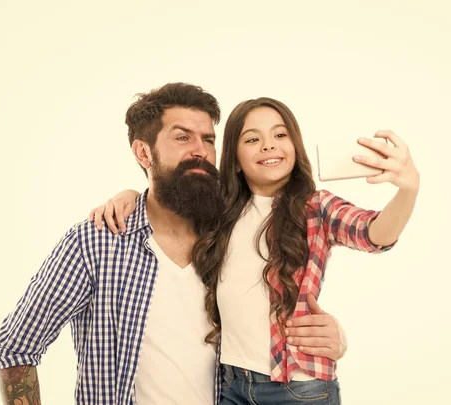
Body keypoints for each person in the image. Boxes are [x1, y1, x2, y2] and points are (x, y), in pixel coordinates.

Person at [0, 83, 347, 405]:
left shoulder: (227, 231)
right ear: (143, 153)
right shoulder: (97, 242)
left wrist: (333, 336)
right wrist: (129, 195)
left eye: (208, 139)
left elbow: (270, 305)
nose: (200, 151)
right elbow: (14, 348)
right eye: (182, 138)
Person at [92, 97, 420, 404]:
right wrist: (131, 194)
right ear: (234, 160)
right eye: (252, 139)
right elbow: (168, 197)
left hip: (298, 387)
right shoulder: (218, 209)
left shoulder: (316, 208)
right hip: (231, 385)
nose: (268, 145)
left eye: (280, 134)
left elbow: (374, 233)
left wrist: (408, 189)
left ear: (295, 146)